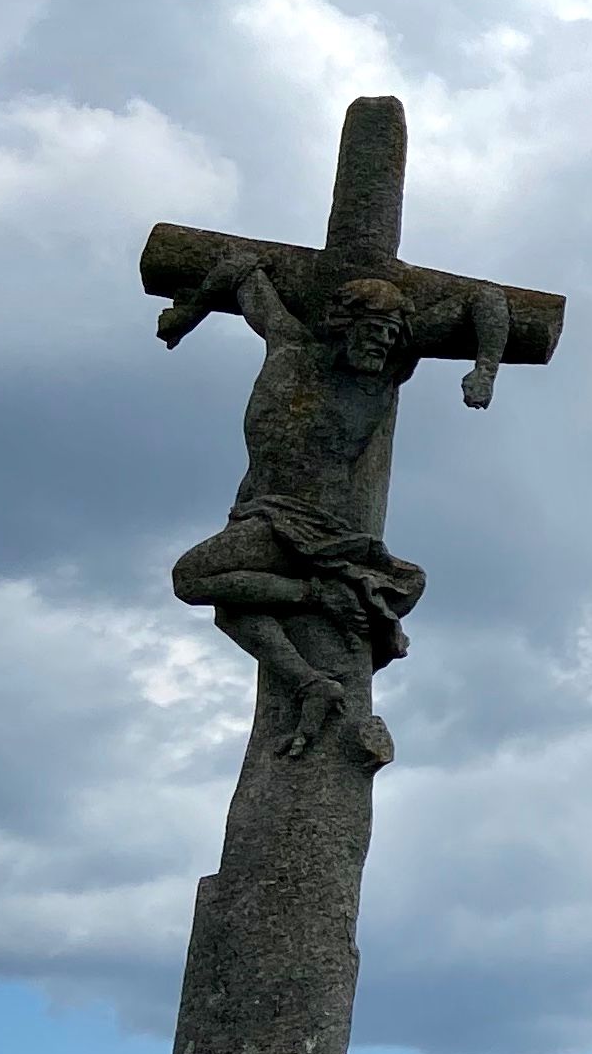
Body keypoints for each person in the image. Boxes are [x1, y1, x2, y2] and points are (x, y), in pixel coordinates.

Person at [156, 256, 508, 762]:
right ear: (341, 327)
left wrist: (485, 370)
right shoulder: (290, 345)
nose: (382, 345)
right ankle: (310, 683)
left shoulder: (387, 368)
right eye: (373, 333)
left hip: (307, 527)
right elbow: (238, 269)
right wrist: (187, 315)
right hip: (261, 513)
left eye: (391, 337)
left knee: (191, 579)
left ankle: (313, 599)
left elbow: (488, 298)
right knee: (232, 610)